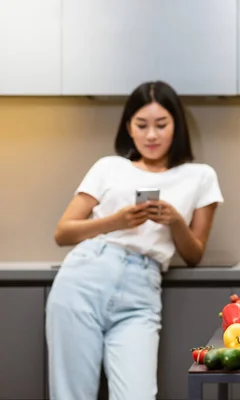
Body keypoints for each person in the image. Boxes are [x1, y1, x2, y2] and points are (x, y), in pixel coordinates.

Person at [45, 81, 224, 400]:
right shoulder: (108, 167)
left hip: (142, 289)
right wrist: (118, 220)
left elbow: (194, 253)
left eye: (161, 125)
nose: (151, 135)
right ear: (128, 127)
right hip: (84, 277)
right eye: (141, 125)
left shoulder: (200, 176)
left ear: (176, 126)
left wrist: (175, 221)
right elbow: (63, 232)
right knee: (71, 395)